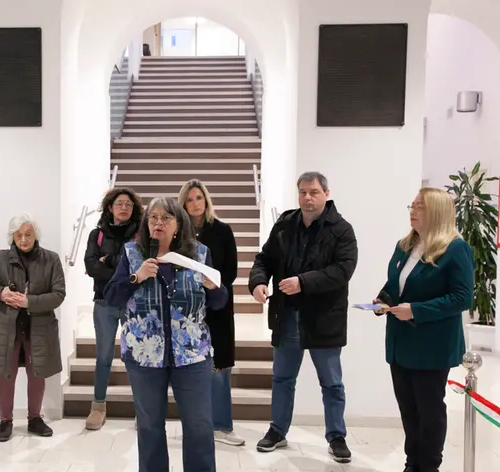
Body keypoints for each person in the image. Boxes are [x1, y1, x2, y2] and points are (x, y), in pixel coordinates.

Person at [104, 197, 228, 472]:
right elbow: (111, 296)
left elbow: (219, 302)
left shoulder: (199, 253)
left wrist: (214, 288)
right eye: (153, 218)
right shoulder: (131, 254)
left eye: (166, 218)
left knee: (199, 426)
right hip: (144, 356)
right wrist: (136, 277)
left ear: (178, 224)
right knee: (149, 427)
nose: (158, 223)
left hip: (192, 355)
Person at [247, 172, 357, 463]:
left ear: (326, 193)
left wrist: (302, 282)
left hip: (324, 319)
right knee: (282, 379)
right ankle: (277, 431)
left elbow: (342, 270)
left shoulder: (341, 229)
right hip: (288, 317)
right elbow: (264, 259)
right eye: (303, 192)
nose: (308, 197)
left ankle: (337, 436)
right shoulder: (285, 224)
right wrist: (258, 282)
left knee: (332, 383)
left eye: (314, 192)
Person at [374, 188, 473, 472]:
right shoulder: (405, 245)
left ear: (437, 212)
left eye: (420, 206)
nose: (412, 210)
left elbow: (461, 297)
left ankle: (428, 466)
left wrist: (416, 310)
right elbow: (396, 285)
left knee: (429, 411)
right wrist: (383, 299)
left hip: (432, 346)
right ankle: (412, 463)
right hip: (400, 342)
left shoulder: (455, 248)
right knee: (408, 410)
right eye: (412, 205)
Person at [0, 214, 66, 442]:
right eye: (19, 235)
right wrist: (1, 293)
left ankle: (34, 418)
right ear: (12, 237)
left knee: (37, 374)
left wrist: (30, 302)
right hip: (7, 327)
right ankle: (5, 420)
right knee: (6, 374)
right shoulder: (0, 258)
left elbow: (58, 294)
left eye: (28, 234)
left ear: (35, 235)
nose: (24, 239)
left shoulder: (51, 259)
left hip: (39, 327)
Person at [179, 179, 243, 447]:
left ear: (206, 201)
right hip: (187, 310)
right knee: (189, 367)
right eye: (190, 199)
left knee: (220, 366)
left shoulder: (222, 230)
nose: (195, 204)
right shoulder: (177, 234)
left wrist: (212, 288)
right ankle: (195, 425)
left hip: (217, 306)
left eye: (199, 198)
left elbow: (231, 270)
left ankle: (222, 426)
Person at [83, 187, 143, 430]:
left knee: (138, 356)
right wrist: (120, 267)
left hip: (133, 302)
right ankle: (98, 407)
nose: (124, 208)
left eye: (129, 204)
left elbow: (139, 266)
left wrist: (106, 260)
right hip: (104, 302)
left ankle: (143, 409)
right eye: (119, 203)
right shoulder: (96, 234)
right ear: (110, 207)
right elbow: (91, 268)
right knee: (104, 356)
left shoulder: (142, 235)